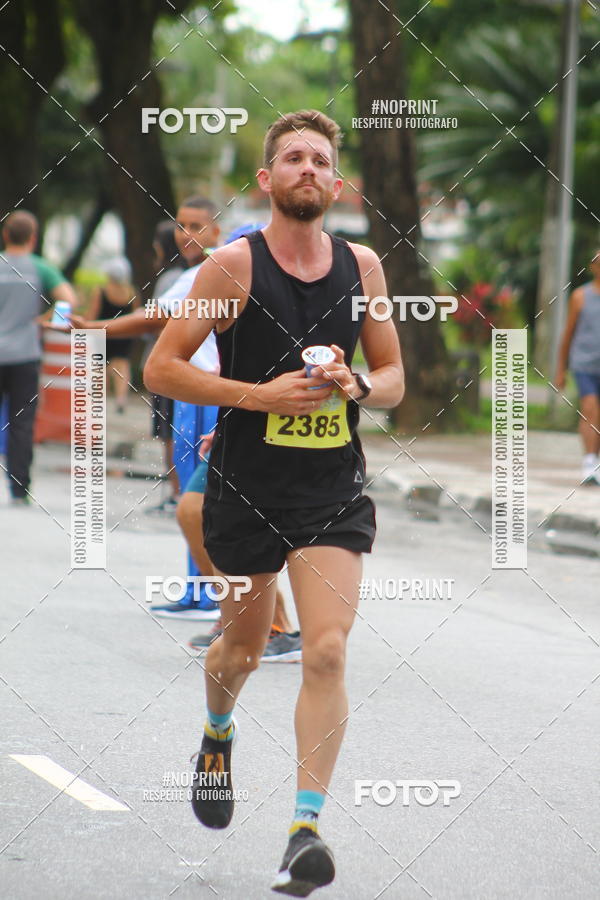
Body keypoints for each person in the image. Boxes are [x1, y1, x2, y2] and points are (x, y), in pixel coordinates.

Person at [144, 109, 404, 896]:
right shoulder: (233, 267)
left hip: (331, 490)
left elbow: (393, 379)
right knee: (243, 650)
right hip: (246, 490)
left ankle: (304, 832)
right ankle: (217, 732)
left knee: (325, 651)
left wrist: (359, 384)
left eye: (320, 159)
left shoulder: (362, 267)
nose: (308, 169)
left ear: (338, 182)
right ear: (266, 179)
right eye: (293, 158)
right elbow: (162, 368)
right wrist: (258, 397)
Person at [0, 210, 77, 505]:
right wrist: (47, 321)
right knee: (21, 422)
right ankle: (19, 489)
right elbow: (69, 299)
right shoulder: (40, 269)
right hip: (25, 355)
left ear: (5, 235)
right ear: (33, 238)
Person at [146, 220, 187, 514]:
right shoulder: (192, 274)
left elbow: (153, 320)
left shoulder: (169, 278)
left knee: (168, 432)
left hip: (167, 365)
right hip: (186, 366)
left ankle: (177, 493)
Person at [555, 249, 600, 486]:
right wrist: (560, 369)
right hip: (584, 364)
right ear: (593, 267)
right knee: (590, 408)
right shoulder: (580, 296)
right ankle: (589, 462)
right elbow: (568, 334)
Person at [87, 257, 138, 414]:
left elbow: (93, 313)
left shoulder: (101, 291)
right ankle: (121, 399)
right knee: (122, 365)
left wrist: (85, 325)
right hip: (124, 334)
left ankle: (99, 399)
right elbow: (136, 315)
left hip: (103, 333)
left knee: (100, 366)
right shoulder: (131, 292)